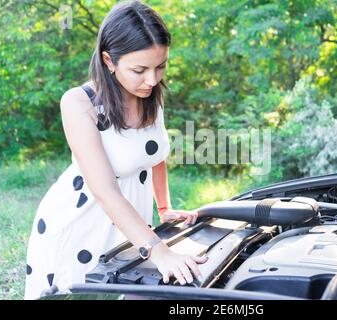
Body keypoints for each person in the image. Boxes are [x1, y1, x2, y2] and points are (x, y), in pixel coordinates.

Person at [24, 0, 207, 300]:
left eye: (160, 66)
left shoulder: (150, 95)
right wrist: (159, 252)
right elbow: (104, 190)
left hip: (131, 227)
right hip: (81, 226)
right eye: (139, 70)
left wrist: (163, 208)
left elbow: (155, 155)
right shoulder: (78, 103)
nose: (152, 79)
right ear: (109, 60)